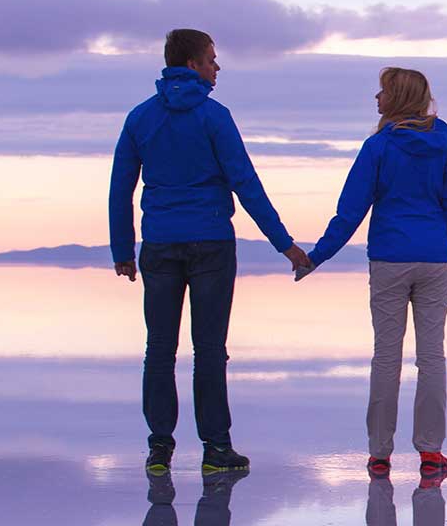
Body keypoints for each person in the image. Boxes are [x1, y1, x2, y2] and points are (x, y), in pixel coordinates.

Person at [110, 28, 314, 474]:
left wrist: (123, 250)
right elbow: (246, 184)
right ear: (191, 65)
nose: (217, 67)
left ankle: (159, 449)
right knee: (209, 349)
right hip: (211, 247)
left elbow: (120, 190)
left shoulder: (140, 118)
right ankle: (216, 449)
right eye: (211, 59)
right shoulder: (215, 117)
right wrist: (285, 244)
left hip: (160, 245)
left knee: (159, 348)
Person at [299, 67, 447, 477]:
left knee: (386, 358)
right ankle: (431, 451)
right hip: (435, 259)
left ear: (397, 97)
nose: (376, 99)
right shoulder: (443, 141)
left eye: (382, 92)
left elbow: (350, 211)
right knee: (432, 358)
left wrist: (316, 256)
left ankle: (380, 453)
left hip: (390, 260)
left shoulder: (378, 146)